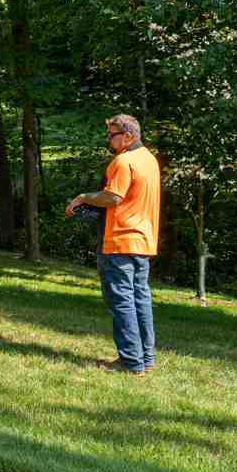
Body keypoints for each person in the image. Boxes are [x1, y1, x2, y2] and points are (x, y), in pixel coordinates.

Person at [66, 113, 161, 377]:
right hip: (143, 241)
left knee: (122, 302)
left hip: (119, 240)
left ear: (128, 136)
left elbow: (113, 197)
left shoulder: (123, 161)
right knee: (140, 300)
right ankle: (146, 358)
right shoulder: (150, 160)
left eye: (112, 135)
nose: (108, 140)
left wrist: (83, 198)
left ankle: (131, 362)